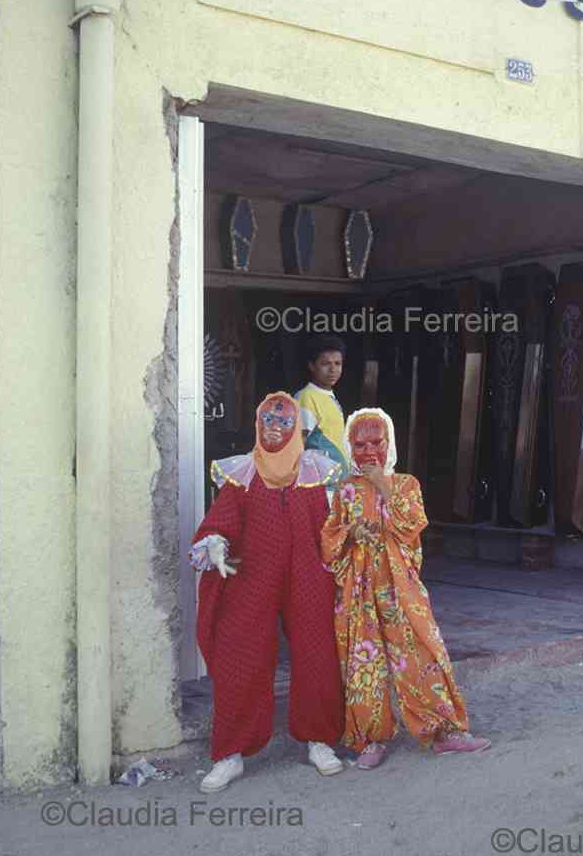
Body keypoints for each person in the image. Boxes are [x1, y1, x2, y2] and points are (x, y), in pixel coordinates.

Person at [189, 392, 345, 792]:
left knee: (317, 651)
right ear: (257, 426)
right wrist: (216, 545)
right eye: (267, 421)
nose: (275, 428)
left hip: (307, 573)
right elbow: (217, 524)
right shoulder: (242, 474)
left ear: (298, 428)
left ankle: (319, 740)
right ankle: (230, 753)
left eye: (284, 421)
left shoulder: (316, 472)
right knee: (239, 652)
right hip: (251, 574)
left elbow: (332, 528)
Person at [321, 407, 491, 769]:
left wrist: (383, 483)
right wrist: (352, 532)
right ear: (349, 446)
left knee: (423, 654)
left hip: (401, 589)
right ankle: (371, 739)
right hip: (360, 591)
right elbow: (329, 539)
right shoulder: (345, 491)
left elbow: (412, 523)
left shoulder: (406, 484)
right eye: (360, 443)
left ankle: (446, 732)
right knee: (363, 664)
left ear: (390, 443)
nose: (368, 452)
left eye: (376, 443)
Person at [295, 336, 350, 488]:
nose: (333, 370)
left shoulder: (329, 396)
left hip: (337, 486)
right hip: (320, 488)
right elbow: (297, 444)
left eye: (337, 363)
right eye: (325, 364)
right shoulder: (306, 397)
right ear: (312, 366)